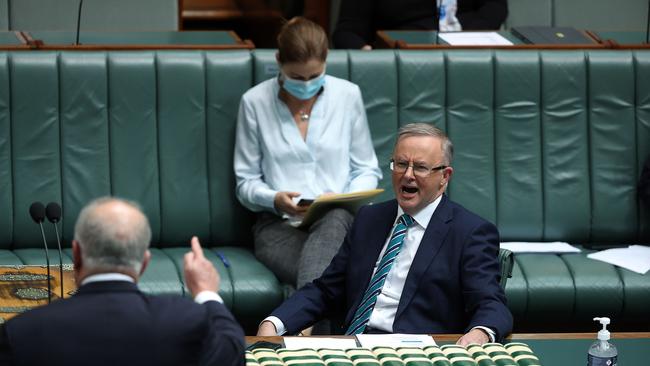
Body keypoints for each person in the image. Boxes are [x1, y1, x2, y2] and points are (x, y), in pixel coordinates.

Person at [257, 123, 512, 345]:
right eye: (401, 164)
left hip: (410, 354)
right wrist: (274, 323)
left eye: (420, 167)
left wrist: (479, 334)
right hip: (349, 348)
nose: (407, 175)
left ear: (444, 176)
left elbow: (491, 303)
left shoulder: (470, 232)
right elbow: (326, 290)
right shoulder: (370, 218)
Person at [0, 197, 245, 366]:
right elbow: (232, 355)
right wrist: (206, 293)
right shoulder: (187, 321)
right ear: (145, 262)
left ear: (76, 255)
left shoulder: (19, 333)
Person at [234, 17, 381, 294]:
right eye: (297, 78)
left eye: (315, 76)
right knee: (336, 278)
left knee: (335, 218)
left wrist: (344, 198)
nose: (306, 85)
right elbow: (245, 183)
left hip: (339, 224)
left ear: (326, 62)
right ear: (279, 61)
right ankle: (312, 332)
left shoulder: (348, 96)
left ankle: (301, 333)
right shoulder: (254, 102)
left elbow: (366, 169)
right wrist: (274, 199)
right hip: (277, 228)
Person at [333, 0, 508, 50]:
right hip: (402, 62)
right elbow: (347, 32)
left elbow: (496, 8)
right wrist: (368, 55)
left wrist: (460, 37)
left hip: (470, 55)